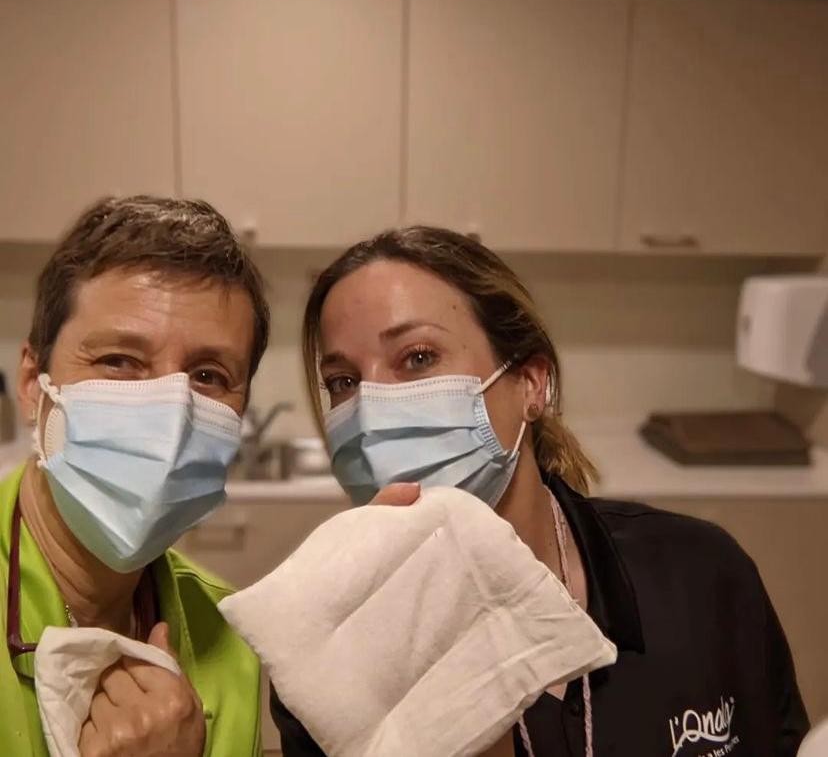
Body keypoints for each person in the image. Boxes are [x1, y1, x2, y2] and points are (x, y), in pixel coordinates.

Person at [273, 225, 809, 756]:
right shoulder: (328, 668)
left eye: (417, 358)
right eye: (344, 382)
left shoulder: (702, 577)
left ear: (531, 383)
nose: (371, 414)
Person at [1, 196, 271, 756]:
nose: (170, 415)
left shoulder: (227, 638)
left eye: (208, 375)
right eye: (119, 361)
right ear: (32, 384)